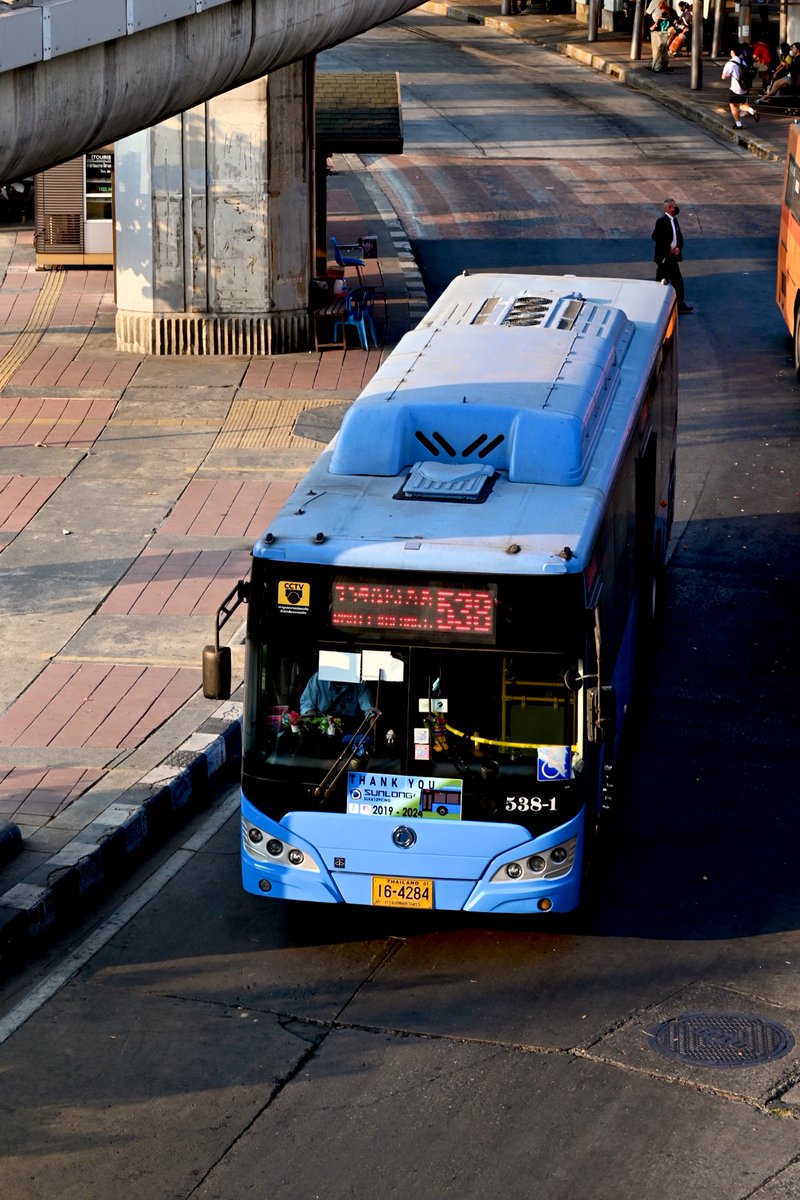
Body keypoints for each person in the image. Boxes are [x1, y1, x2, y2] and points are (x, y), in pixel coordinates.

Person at [652, 198, 693, 314]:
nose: (676, 208)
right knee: (662, 281)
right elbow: (656, 237)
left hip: (672, 257)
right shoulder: (661, 221)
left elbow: (678, 236)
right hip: (665, 258)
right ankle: (657, 304)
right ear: (670, 208)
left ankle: (679, 303)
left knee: (677, 281)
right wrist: (668, 249)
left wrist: (678, 248)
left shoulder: (674, 220)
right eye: (675, 206)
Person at [299, 673, 375, 718]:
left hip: (349, 727)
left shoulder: (358, 682)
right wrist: (313, 716)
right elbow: (306, 705)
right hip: (323, 725)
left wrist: (372, 718)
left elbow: (368, 707)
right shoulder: (318, 679)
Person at [722, 46, 760, 129]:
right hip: (745, 87)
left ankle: (738, 124)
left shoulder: (730, 63)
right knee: (742, 104)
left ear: (732, 52)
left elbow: (723, 77)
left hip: (736, 89)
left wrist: (728, 75)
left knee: (733, 105)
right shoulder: (743, 61)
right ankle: (752, 111)